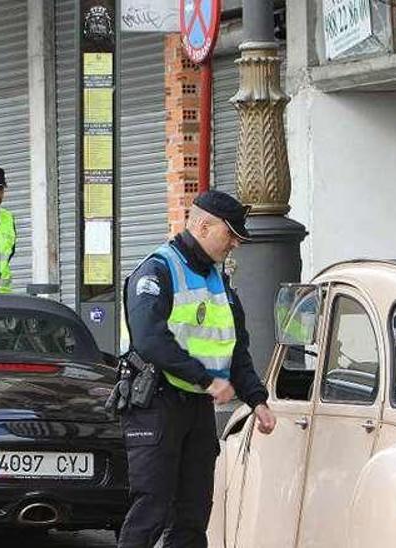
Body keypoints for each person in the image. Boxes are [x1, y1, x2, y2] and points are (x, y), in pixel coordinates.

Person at [118, 191, 276, 548]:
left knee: (193, 514)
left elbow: (236, 349)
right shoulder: (158, 270)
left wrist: (257, 399)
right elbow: (149, 340)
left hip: (197, 407)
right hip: (156, 402)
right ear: (203, 225)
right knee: (151, 510)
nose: (235, 243)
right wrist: (206, 379)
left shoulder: (219, 282)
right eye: (230, 234)